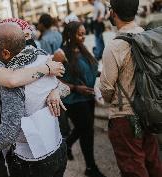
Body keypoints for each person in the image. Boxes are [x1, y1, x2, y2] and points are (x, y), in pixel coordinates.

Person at [0, 23, 67, 177]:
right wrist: (55, 90)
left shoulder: (12, 80)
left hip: (31, 161)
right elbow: (63, 86)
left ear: (6, 53)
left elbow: (9, 134)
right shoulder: (42, 57)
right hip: (59, 148)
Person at [100, 0, 162, 176]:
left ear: (113, 12)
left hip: (124, 116)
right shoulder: (147, 36)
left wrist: (106, 97)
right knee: (152, 162)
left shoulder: (114, 46)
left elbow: (106, 87)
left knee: (133, 167)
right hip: (148, 111)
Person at [53, 21, 106, 177]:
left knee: (84, 128)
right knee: (87, 131)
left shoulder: (82, 49)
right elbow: (53, 80)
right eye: (80, 34)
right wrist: (76, 88)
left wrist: (102, 73)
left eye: (84, 33)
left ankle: (67, 144)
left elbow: (87, 70)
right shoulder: (60, 54)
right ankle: (91, 168)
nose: (83, 37)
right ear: (70, 35)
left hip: (88, 96)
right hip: (74, 100)